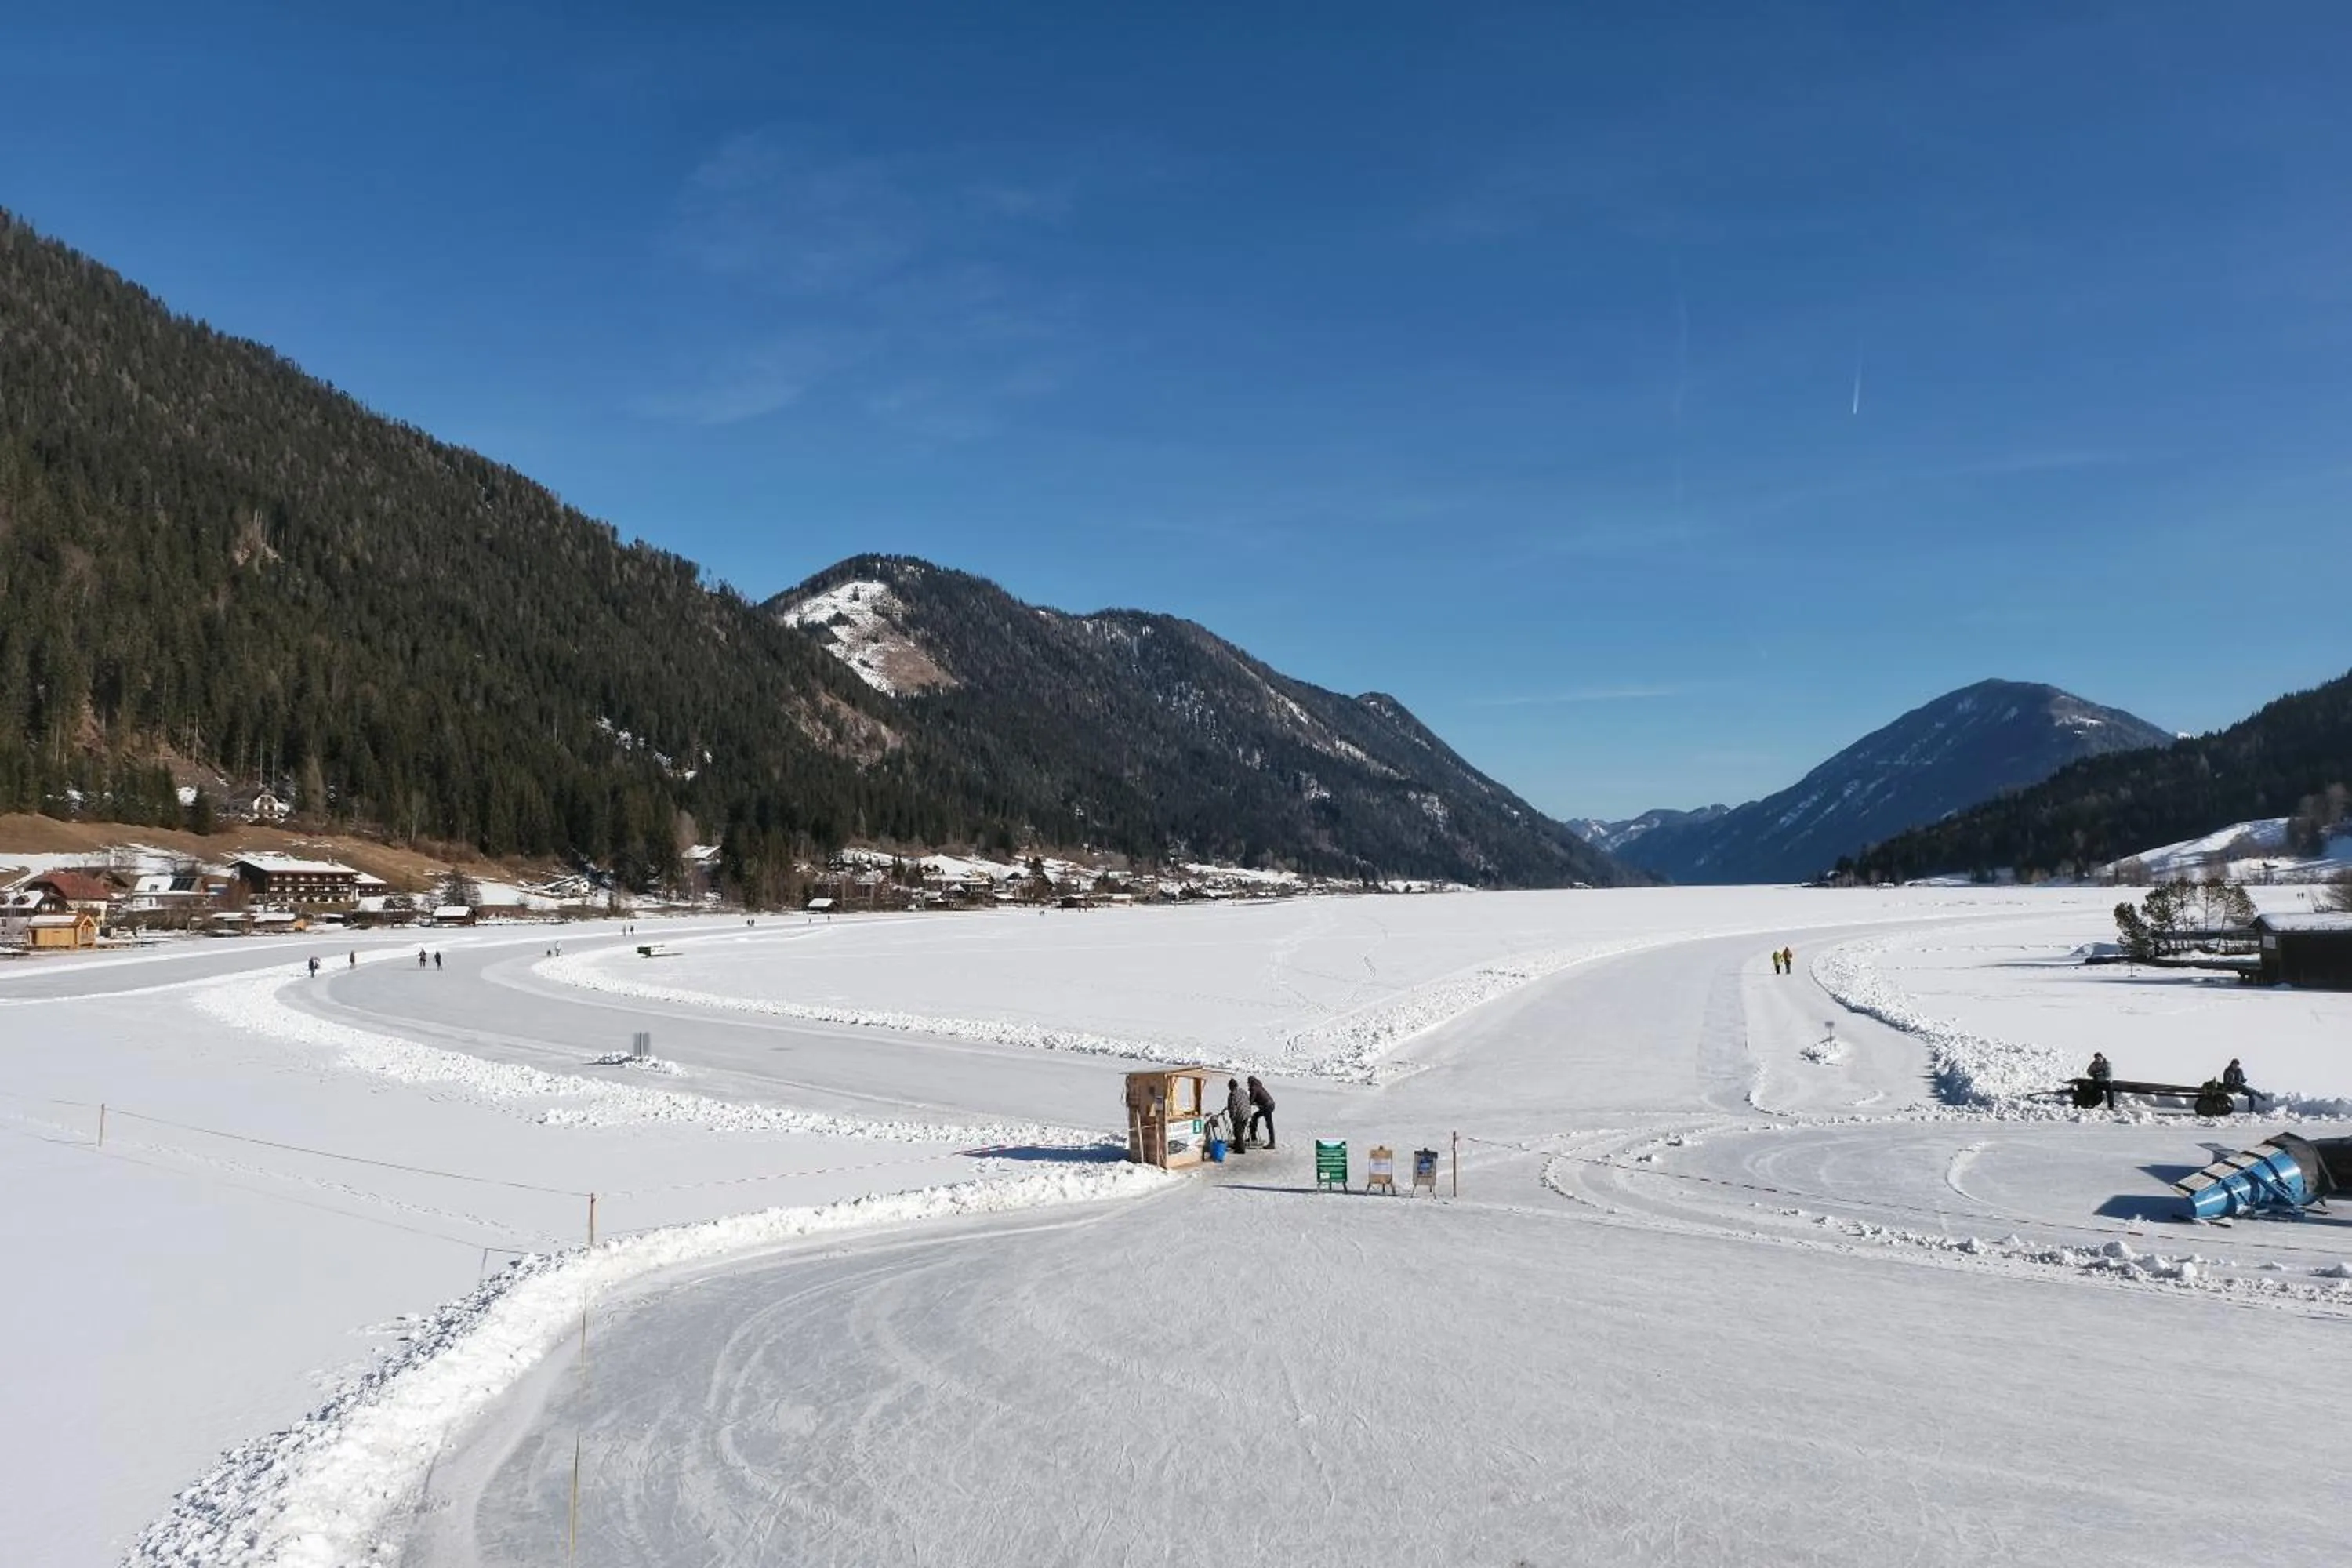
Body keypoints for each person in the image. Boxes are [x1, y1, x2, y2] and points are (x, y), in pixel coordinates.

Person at [1246, 1076, 1276, 1150]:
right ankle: (1253, 1137)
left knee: (1268, 1123)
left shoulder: (1254, 1088)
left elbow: (1251, 1100)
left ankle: (1271, 1143)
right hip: (1270, 1104)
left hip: (1267, 1106)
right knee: (1256, 1117)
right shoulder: (1258, 1086)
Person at [1225, 1077, 1250, 1150]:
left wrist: (1232, 1117)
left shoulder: (1232, 1095)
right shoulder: (1243, 1091)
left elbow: (1232, 1108)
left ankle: (1241, 1149)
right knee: (1240, 1131)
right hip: (1247, 1113)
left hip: (1240, 1115)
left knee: (1238, 1132)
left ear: (1231, 1086)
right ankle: (1237, 1145)